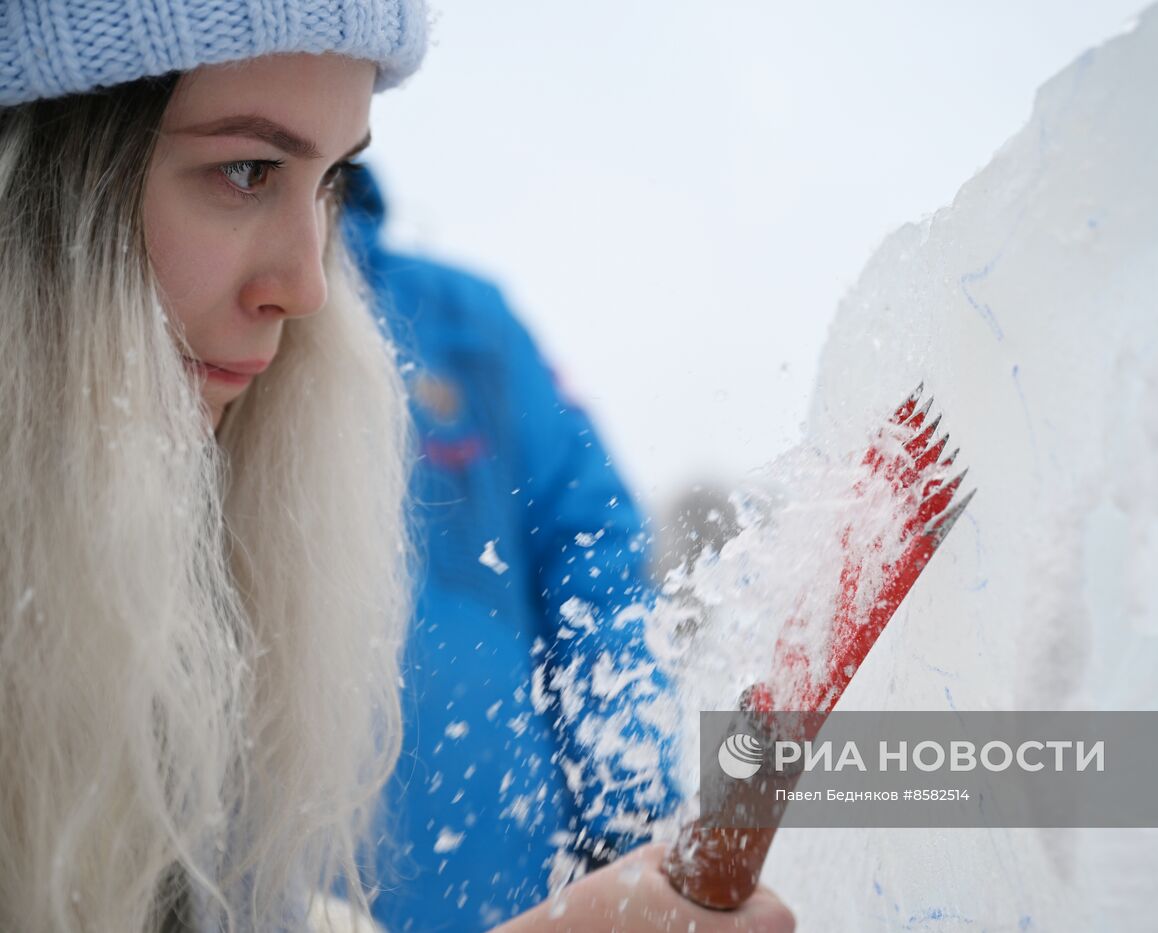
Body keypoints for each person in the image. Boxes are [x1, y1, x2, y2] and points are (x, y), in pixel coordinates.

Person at [0, 3, 794, 932]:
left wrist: (632, 840)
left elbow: (597, 567)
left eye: (333, 174)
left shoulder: (468, 329)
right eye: (246, 169)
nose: (305, 287)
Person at [339, 164, 690, 930]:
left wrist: (631, 821)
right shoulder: (164, 312)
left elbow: (592, 550)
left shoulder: (465, 323)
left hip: (513, 886)